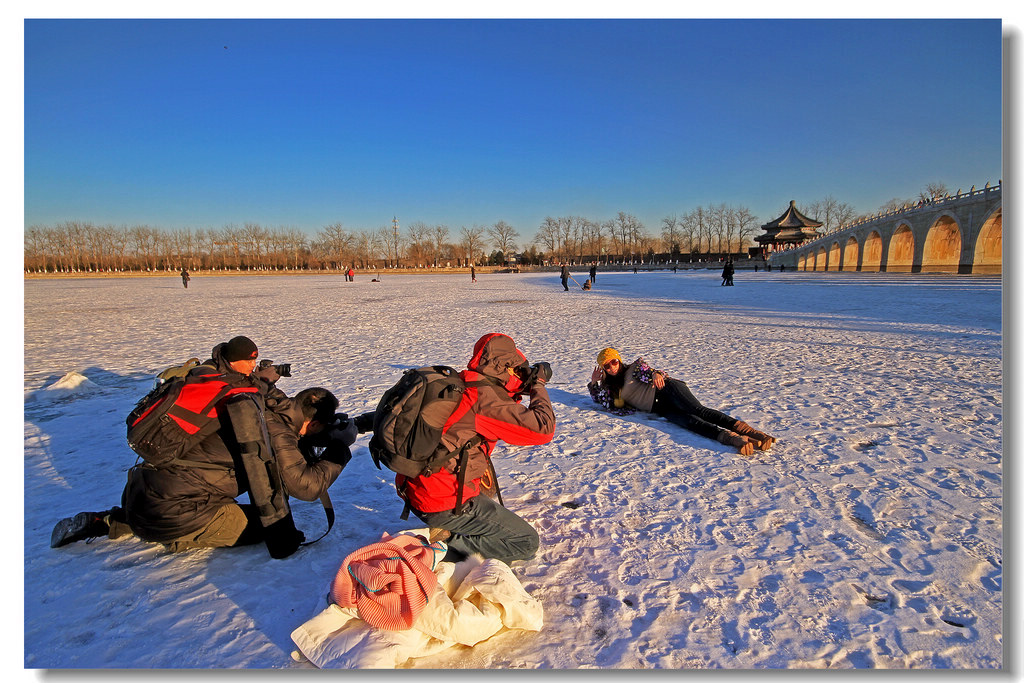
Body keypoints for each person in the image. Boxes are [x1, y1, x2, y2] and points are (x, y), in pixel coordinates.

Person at [50, 336, 355, 554]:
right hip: (171, 511)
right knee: (267, 525)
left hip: (142, 490)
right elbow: (304, 486)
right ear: (312, 424)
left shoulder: (255, 400)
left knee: (204, 495)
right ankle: (170, 535)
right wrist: (340, 450)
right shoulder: (274, 428)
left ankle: (112, 520)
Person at [373, 333, 555, 565]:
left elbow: (500, 398)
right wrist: (539, 384)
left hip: (415, 488)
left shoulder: (462, 383)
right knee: (525, 541)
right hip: (442, 501)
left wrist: (522, 384)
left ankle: (448, 528)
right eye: (517, 369)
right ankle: (441, 549)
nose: (521, 373)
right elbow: (543, 429)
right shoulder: (484, 399)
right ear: (506, 368)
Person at [587, 348, 774, 456]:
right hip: (660, 407)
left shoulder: (634, 369)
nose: (612, 367)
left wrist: (656, 374)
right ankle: (735, 439)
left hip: (668, 390)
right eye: (607, 366)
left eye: (614, 362)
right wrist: (595, 383)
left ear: (619, 360)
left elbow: (648, 370)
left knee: (698, 410)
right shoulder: (611, 389)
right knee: (691, 423)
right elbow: (604, 403)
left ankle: (753, 433)